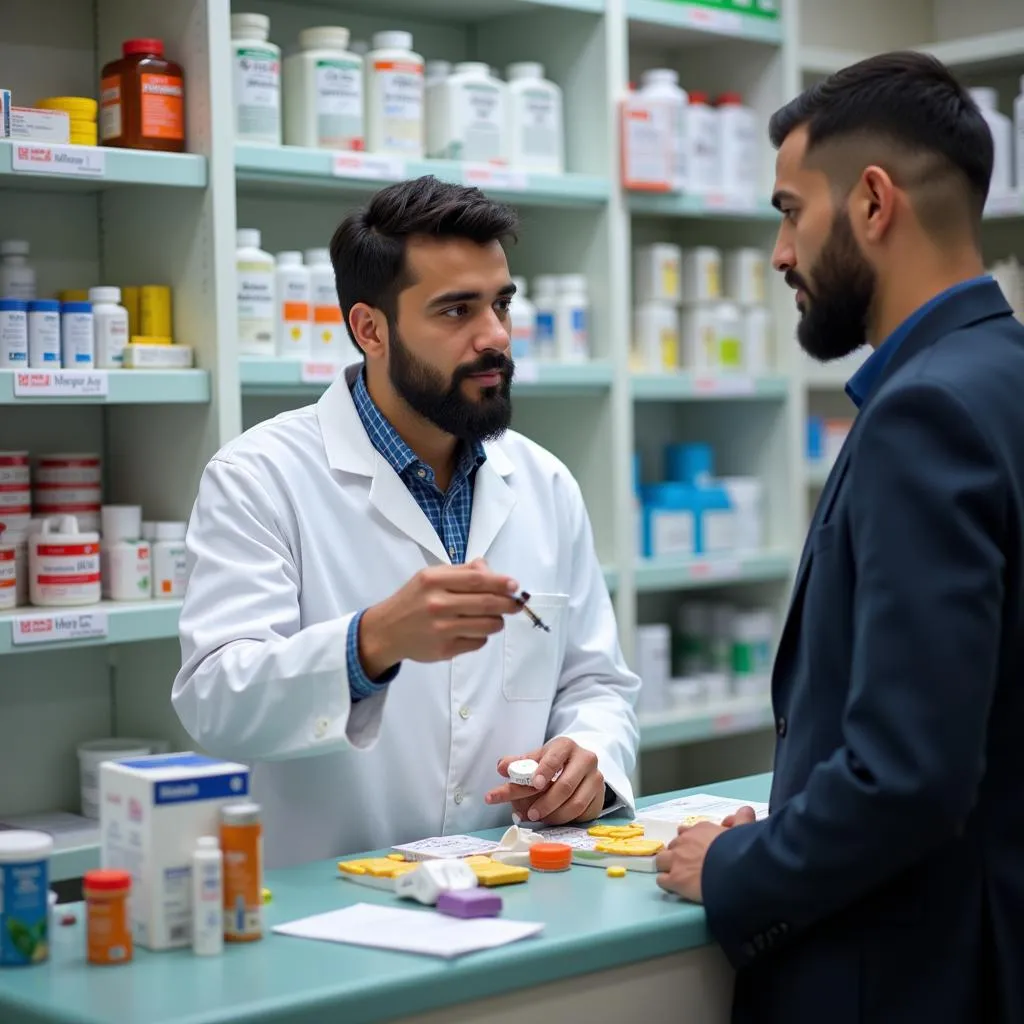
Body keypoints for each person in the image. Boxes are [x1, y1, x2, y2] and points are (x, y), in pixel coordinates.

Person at [653, 51, 1024, 1023]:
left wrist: (736, 862)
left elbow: (907, 773)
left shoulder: (924, 414)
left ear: (870, 203)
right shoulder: (1003, 378)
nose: (779, 254)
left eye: (787, 211)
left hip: (911, 976)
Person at [171, 176, 639, 868]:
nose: (496, 338)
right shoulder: (259, 477)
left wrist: (589, 755)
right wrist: (370, 643)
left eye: (501, 305)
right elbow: (214, 701)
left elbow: (595, 683)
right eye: (456, 311)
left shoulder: (544, 482)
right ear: (370, 328)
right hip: (329, 903)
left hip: (506, 881)